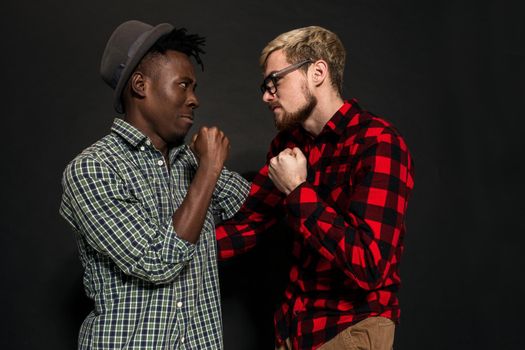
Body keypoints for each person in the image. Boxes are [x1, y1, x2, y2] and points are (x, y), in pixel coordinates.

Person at [216, 26, 415, 350]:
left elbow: (369, 263)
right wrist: (177, 251)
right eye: (264, 86)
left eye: (274, 81)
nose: (267, 95)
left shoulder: (378, 142)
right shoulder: (289, 144)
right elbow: (249, 224)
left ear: (317, 71)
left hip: (351, 330)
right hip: (294, 334)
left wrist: (297, 190)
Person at [59, 20, 249, 349]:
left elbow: (251, 205)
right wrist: (209, 170)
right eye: (183, 85)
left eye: (195, 89)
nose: (195, 100)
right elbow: (156, 261)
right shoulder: (92, 169)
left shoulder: (191, 163)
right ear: (140, 85)